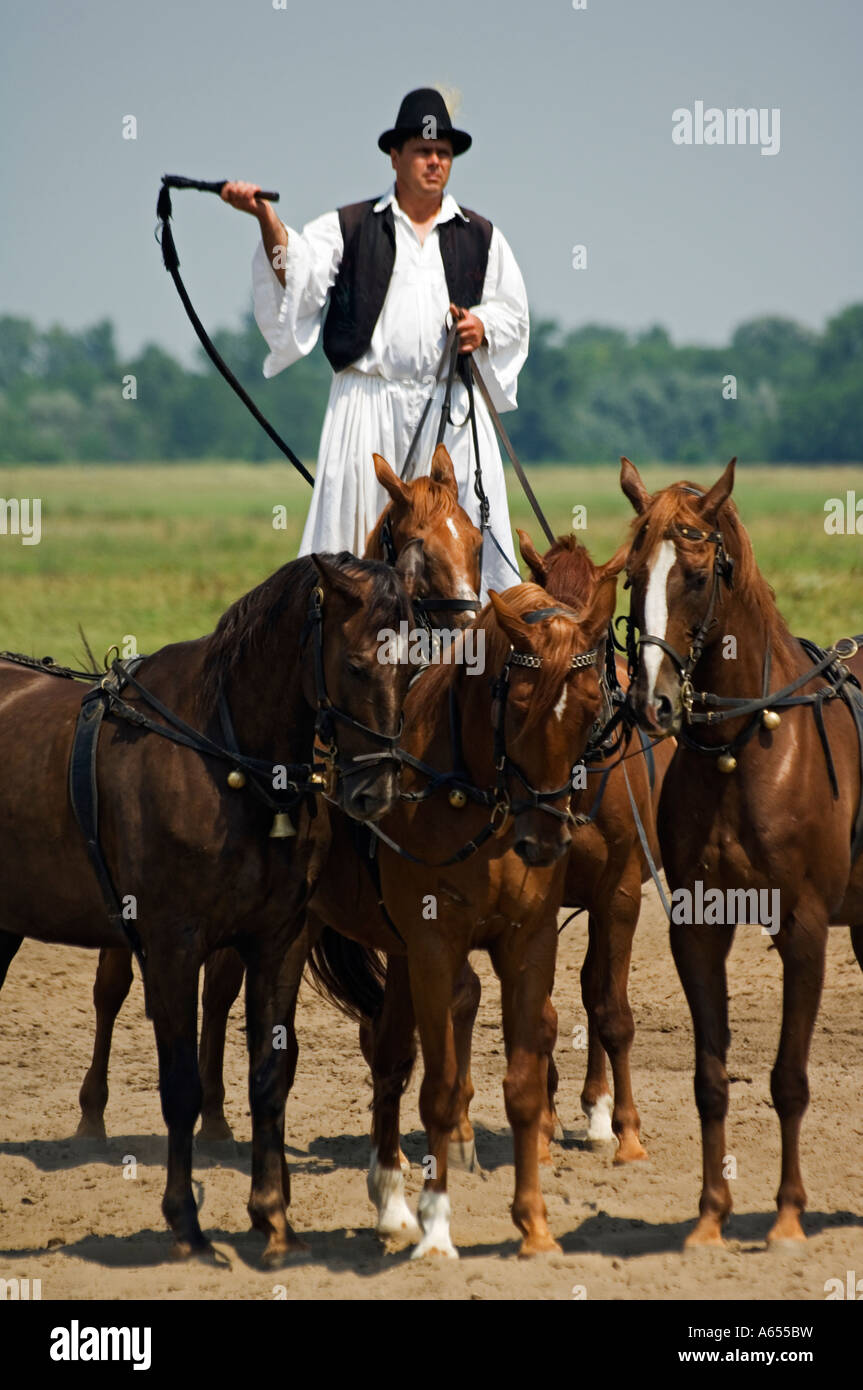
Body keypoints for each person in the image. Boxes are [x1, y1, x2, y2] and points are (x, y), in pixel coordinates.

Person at [222, 88, 529, 595]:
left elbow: (514, 315)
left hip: (452, 416)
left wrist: (482, 326)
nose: (435, 161)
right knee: (351, 562)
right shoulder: (350, 226)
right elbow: (293, 271)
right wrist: (266, 220)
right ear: (395, 156)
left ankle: (467, 668)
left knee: (465, 564)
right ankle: (352, 668)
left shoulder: (483, 235)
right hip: (365, 410)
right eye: (423, 151)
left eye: (444, 153)